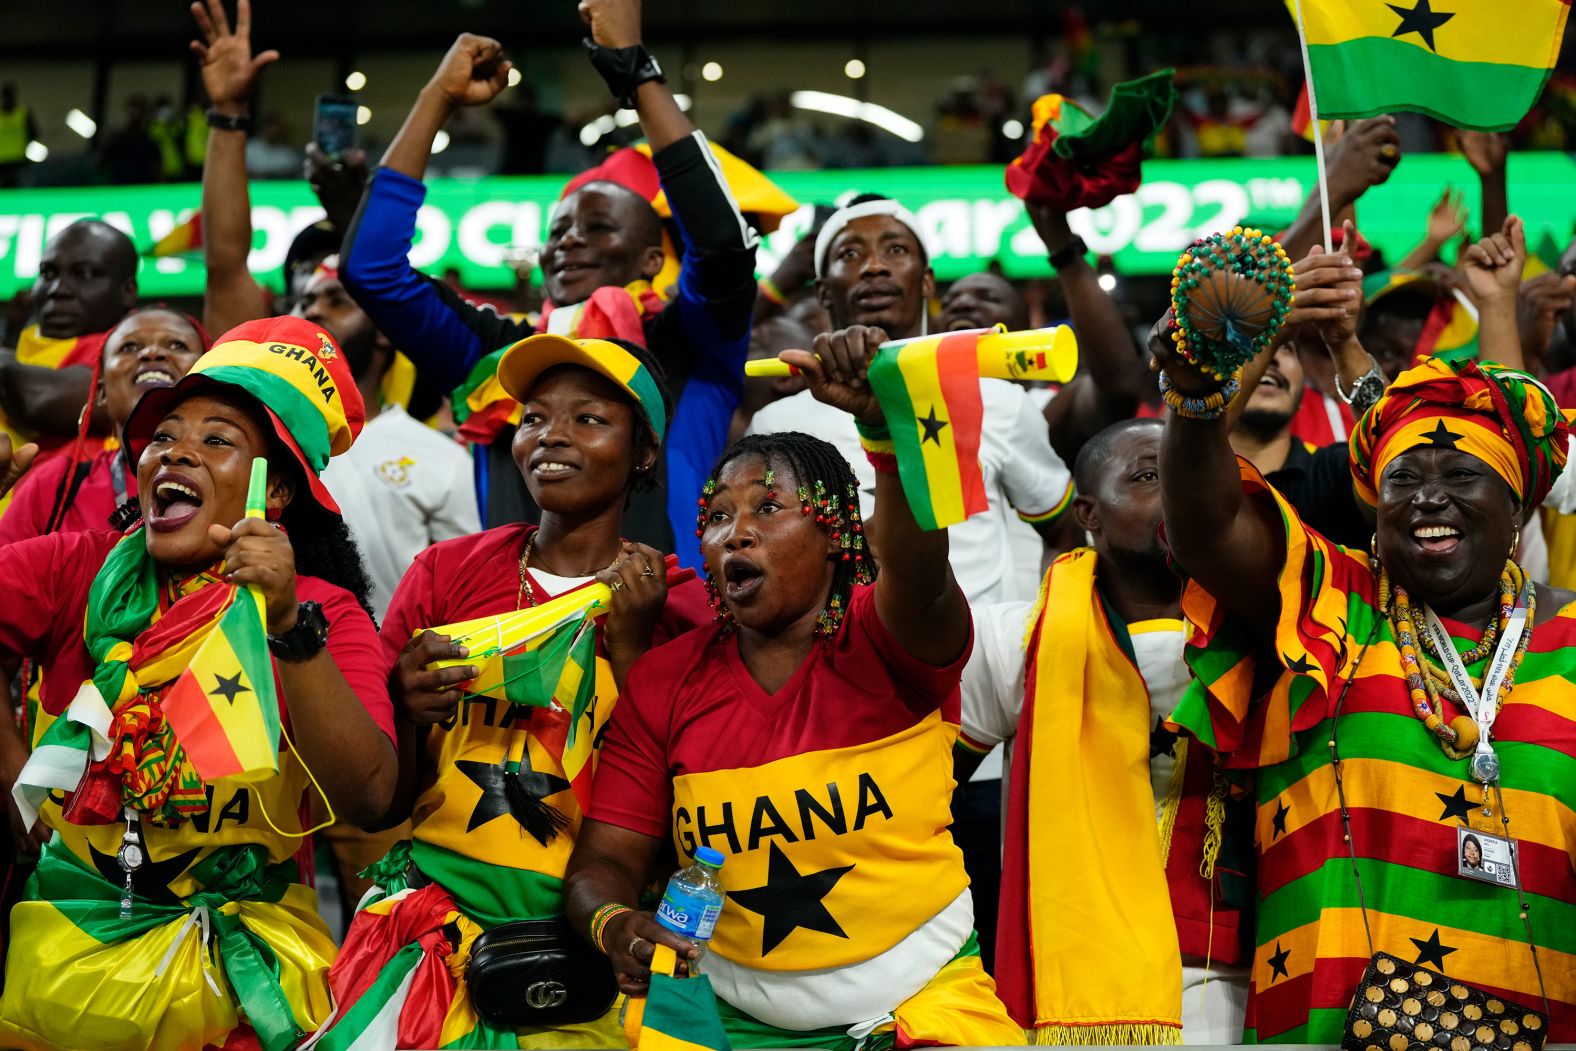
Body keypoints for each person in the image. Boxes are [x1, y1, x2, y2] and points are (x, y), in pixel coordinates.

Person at [1154, 238, 1576, 1038]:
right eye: (1404, 480)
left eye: (1462, 478)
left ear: (1518, 509)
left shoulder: (1571, 637)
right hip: (1322, 1021)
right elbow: (1206, 526)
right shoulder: (1332, 599)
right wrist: (1195, 397)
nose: (1429, 500)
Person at [565, 326, 1024, 1049]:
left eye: (767, 508)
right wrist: (616, 923)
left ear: (839, 532)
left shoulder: (890, 637)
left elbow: (918, 563)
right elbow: (606, 862)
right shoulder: (664, 678)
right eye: (716, 517)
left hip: (918, 1004)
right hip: (726, 1017)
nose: (734, 533)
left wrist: (883, 431)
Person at [0, 315, 397, 1050]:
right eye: (162, 436)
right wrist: (16, 783)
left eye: (217, 439)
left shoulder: (322, 611)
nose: (176, 451)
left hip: (241, 992)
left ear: (273, 490)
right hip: (59, 973)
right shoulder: (77, 566)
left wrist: (285, 625)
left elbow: (370, 796)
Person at [318, 333, 709, 1047]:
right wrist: (405, 710)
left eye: (588, 419)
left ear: (644, 451)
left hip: (603, 964)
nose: (550, 435)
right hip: (435, 946)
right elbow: (384, 799)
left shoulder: (682, 608)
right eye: (533, 417)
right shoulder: (445, 572)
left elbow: (692, 814)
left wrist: (630, 647)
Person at [341, 0, 757, 563]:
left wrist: (636, 73)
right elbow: (371, 269)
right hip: (512, 637)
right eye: (557, 230)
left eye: (599, 227)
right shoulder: (496, 358)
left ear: (651, 260)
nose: (569, 240)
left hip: (672, 633)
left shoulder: (689, 339)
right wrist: (434, 99)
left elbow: (722, 247)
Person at [959, 418, 1253, 1044]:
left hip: (1234, 978)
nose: (1178, 492)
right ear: (1088, 512)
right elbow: (920, 796)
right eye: (1150, 476)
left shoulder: (1279, 635)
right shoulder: (1018, 640)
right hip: (1069, 991)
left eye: (1189, 474)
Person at [748, 195, 1073, 608]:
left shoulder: (996, 398)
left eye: (896, 249)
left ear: (926, 281)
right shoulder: (776, 425)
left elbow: (1064, 530)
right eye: (850, 253)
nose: (875, 265)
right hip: (843, 660)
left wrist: (1035, 631)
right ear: (825, 292)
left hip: (982, 664)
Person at [306, 260, 479, 621]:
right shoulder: (265, 440)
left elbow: (468, 589)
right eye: (306, 302)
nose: (313, 312)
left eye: (336, 301)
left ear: (384, 333)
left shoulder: (440, 457)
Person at [0, 308, 207, 544]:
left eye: (177, 345)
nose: (152, 353)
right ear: (101, 393)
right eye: (129, 347)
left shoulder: (234, 476)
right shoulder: (53, 484)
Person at [1, 219, 139, 462]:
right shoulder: (26, 344)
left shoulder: (141, 349)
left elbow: (39, 401)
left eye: (83, 274)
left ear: (127, 291)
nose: (58, 289)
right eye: (48, 273)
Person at [0, 83, 38, 189]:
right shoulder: (23, 114)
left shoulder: (23, 114)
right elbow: (34, 134)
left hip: (18, 161)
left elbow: (34, 133)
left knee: (21, 192)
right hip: (4, 162)